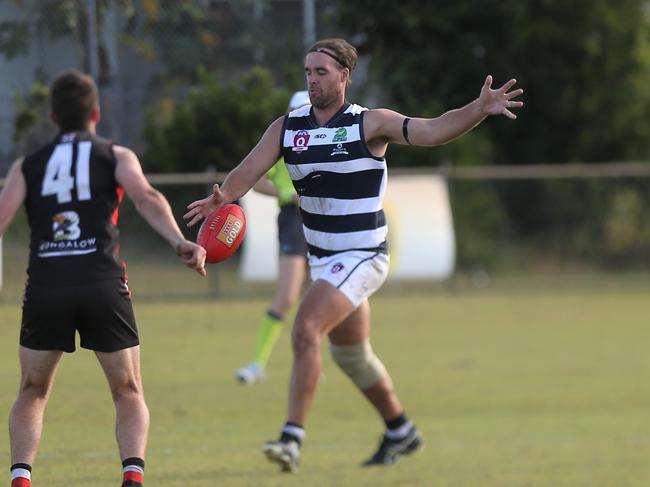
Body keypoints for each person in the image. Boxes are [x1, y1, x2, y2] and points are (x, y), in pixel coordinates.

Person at [184, 38, 523, 473]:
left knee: (306, 330)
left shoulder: (370, 123)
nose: (312, 80)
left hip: (364, 255)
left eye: (321, 72)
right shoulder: (288, 127)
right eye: (307, 72)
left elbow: (433, 130)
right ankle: (400, 429)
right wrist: (223, 197)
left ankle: (291, 438)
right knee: (351, 356)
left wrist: (478, 109)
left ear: (345, 75)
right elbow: (248, 171)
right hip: (324, 259)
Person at [0, 70, 206, 487]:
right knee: (128, 390)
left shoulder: (28, 165)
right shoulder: (116, 155)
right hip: (102, 284)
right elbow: (145, 196)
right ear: (97, 111)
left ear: (54, 116)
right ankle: (132, 478)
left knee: (33, 390)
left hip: (46, 286)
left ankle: (21, 479)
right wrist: (177, 241)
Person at [235, 91, 311, 385]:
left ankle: (311, 361)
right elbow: (257, 181)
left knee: (317, 296)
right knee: (288, 296)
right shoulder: (282, 145)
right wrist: (286, 194)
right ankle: (257, 363)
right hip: (292, 220)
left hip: (324, 220)